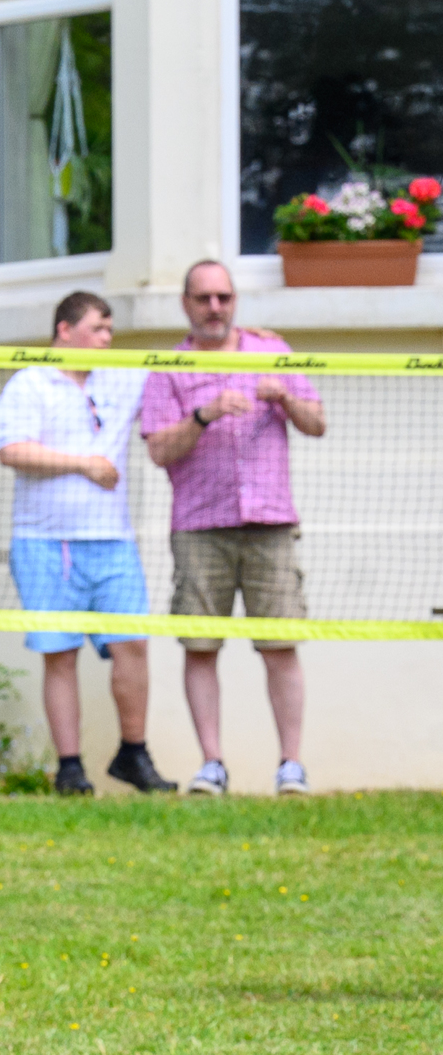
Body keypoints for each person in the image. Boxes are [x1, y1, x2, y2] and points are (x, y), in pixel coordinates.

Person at [139, 260, 324, 795]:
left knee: (280, 645)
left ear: (235, 300)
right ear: (186, 304)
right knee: (200, 647)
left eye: (224, 297)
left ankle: (291, 765)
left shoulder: (273, 350)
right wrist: (204, 415)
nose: (215, 307)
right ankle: (212, 765)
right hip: (200, 526)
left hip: (270, 521)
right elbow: (157, 450)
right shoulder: (166, 366)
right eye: (204, 298)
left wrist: (285, 397)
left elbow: (318, 423)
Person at [0, 290, 173, 795]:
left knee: (133, 644)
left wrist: (252, 342)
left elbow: (180, 371)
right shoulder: (30, 382)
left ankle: (133, 754)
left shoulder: (121, 378)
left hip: (113, 540)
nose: (108, 339)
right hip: (46, 542)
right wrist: (82, 464)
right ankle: (69, 769)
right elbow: (11, 448)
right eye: (99, 329)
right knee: (60, 653)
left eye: (111, 330)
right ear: (65, 331)